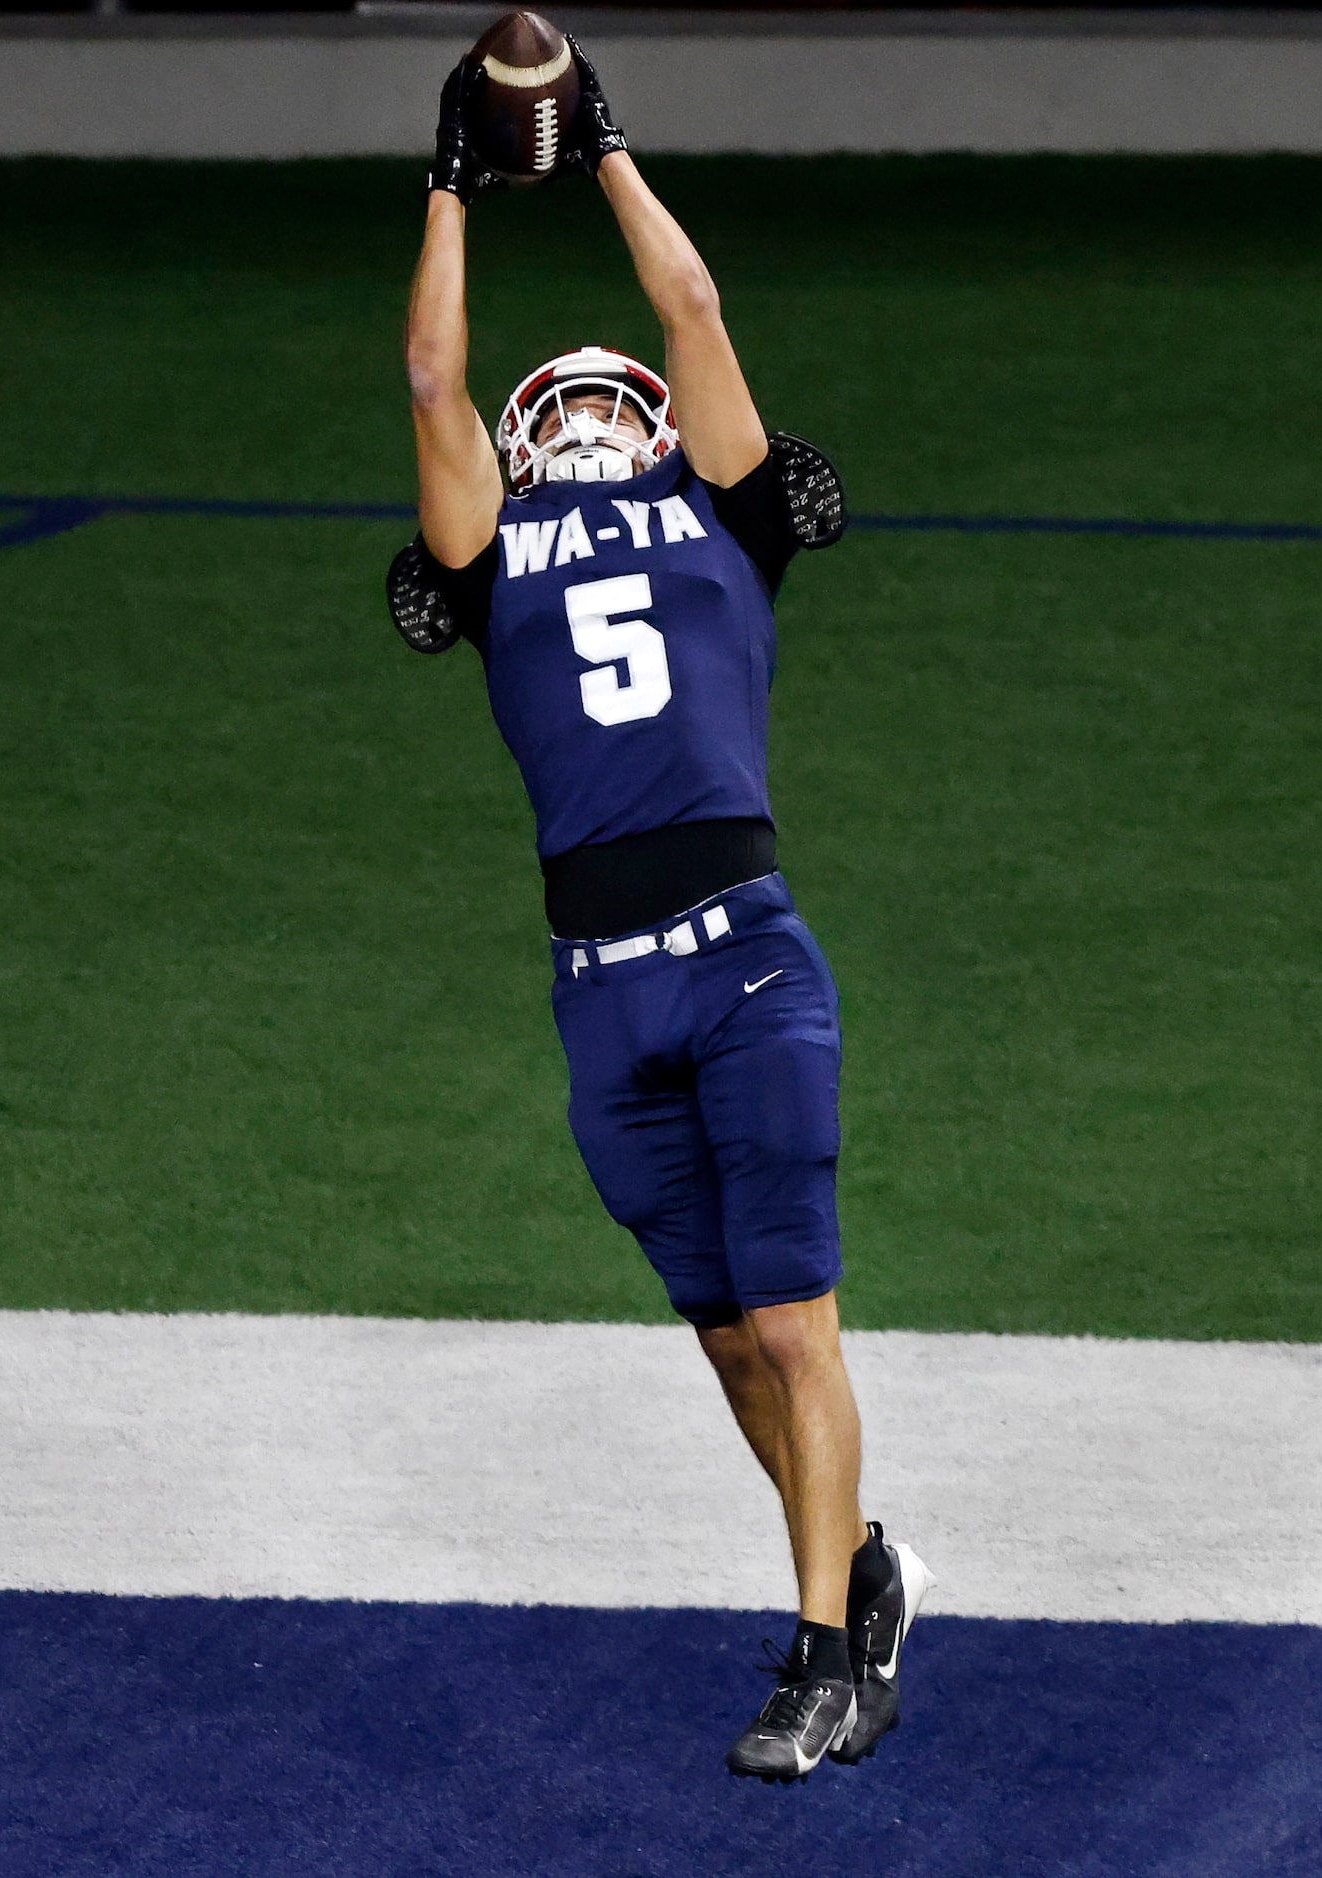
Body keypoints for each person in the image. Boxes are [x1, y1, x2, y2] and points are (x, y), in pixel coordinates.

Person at [386, 42, 930, 1783]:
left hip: (746, 955)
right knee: (726, 1343)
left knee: (793, 1321)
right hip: (598, 995)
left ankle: (823, 1662)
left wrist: (603, 146)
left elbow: (688, 296)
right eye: (576, 405)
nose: (605, 413)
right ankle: (861, 1581)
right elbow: (427, 370)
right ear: (545, 443)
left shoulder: (726, 512)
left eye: (626, 397)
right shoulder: (493, 556)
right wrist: (452, 181)